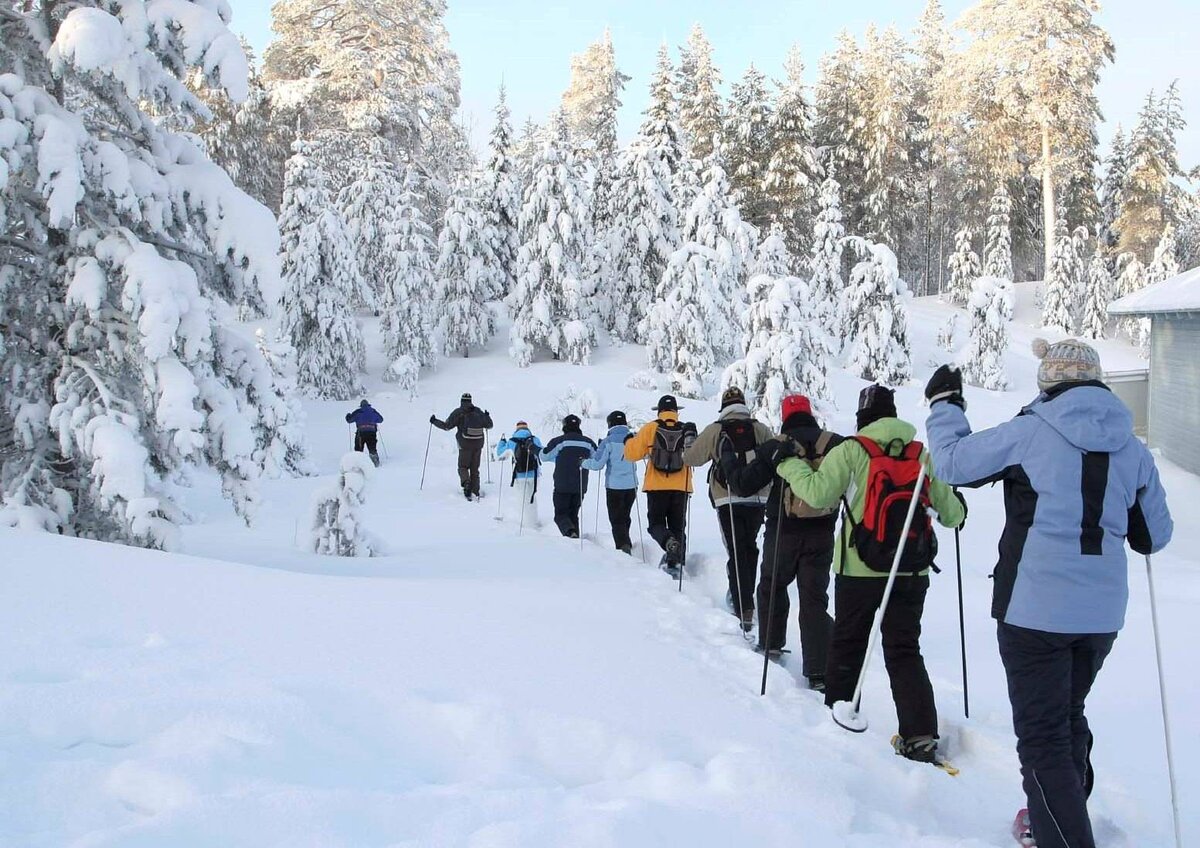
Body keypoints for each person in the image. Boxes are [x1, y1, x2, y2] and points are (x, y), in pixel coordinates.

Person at [923, 340, 1173, 848]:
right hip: (1100, 616)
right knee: (1067, 717)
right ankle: (1054, 817)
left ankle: (1062, 835)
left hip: (1033, 611)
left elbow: (948, 463)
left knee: (1043, 739)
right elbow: (1154, 535)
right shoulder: (1132, 447)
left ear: (1048, 383)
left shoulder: (1030, 431)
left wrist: (944, 406)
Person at [774, 384, 965, 764]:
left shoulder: (853, 450)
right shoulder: (920, 454)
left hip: (860, 569)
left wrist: (786, 464)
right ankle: (920, 735)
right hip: (911, 570)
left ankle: (839, 722)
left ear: (862, 419)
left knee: (849, 643)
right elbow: (953, 514)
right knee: (905, 649)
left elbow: (817, 493)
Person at [719, 394, 842, 690]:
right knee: (814, 597)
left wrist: (728, 460)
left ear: (784, 415)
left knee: (772, 586)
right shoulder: (834, 443)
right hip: (823, 532)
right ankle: (818, 671)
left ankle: (771, 645)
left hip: (782, 530)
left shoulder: (777, 446)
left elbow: (744, 484)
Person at [683, 386, 773, 631]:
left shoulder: (716, 429)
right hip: (758, 499)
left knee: (736, 550)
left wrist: (689, 438)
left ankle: (741, 604)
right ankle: (747, 601)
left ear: (724, 406)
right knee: (750, 546)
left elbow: (691, 459)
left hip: (727, 498)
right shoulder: (760, 428)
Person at [623, 395, 696, 574]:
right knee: (678, 526)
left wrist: (627, 441)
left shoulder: (650, 428)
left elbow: (632, 454)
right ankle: (676, 563)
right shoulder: (686, 431)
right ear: (676, 412)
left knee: (655, 524)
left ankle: (668, 542)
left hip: (656, 486)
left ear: (660, 410)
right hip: (681, 487)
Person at [582, 411, 639, 554]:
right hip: (632, 485)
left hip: (614, 486)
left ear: (610, 424)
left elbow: (597, 464)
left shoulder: (608, 442)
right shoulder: (633, 439)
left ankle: (623, 546)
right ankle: (626, 542)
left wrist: (583, 462)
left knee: (616, 518)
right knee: (625, 516)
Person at [541, 414, 597, 539]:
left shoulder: (559, 441)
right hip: (580, 485)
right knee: (573, 514)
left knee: (560, 515)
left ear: (565, 426)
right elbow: (597, 459)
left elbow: (544, 456)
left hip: (562, 485)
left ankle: (570, 533)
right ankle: (575, 538)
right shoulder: (588, 442)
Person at [431, 393, 493, 500]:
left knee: (463, 467)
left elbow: (447, 426)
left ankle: (466, 483)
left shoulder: (458, 412)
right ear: (471, 400)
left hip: (465, 444)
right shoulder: (478, 411)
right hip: (478, 444)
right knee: (475, 469)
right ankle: (476, 491)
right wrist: (487, 416)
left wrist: (434, 421)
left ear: (461, 401)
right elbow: (489, 425)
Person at [495, 421, 542, 527]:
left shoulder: (512, 441)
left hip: (519, 475)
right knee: (532, 497)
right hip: (534, 475)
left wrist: (502, 442)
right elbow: (541, 453)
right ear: (527, 429)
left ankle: (526, 524)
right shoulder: (535, 439)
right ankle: (533, 521)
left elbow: (500, 454)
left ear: (516, 430)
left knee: (522, 499)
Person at [345, 400, 384, 466]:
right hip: (372, 432)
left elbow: (349, 420)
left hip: (361, 433)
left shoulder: (358, 411)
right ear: (368, 404)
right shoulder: (373, 411)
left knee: (358, 449)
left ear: (361, 406)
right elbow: (381, 419)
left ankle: (358, 463)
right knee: (372, 448)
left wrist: (348, 416)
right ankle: (375, 462)